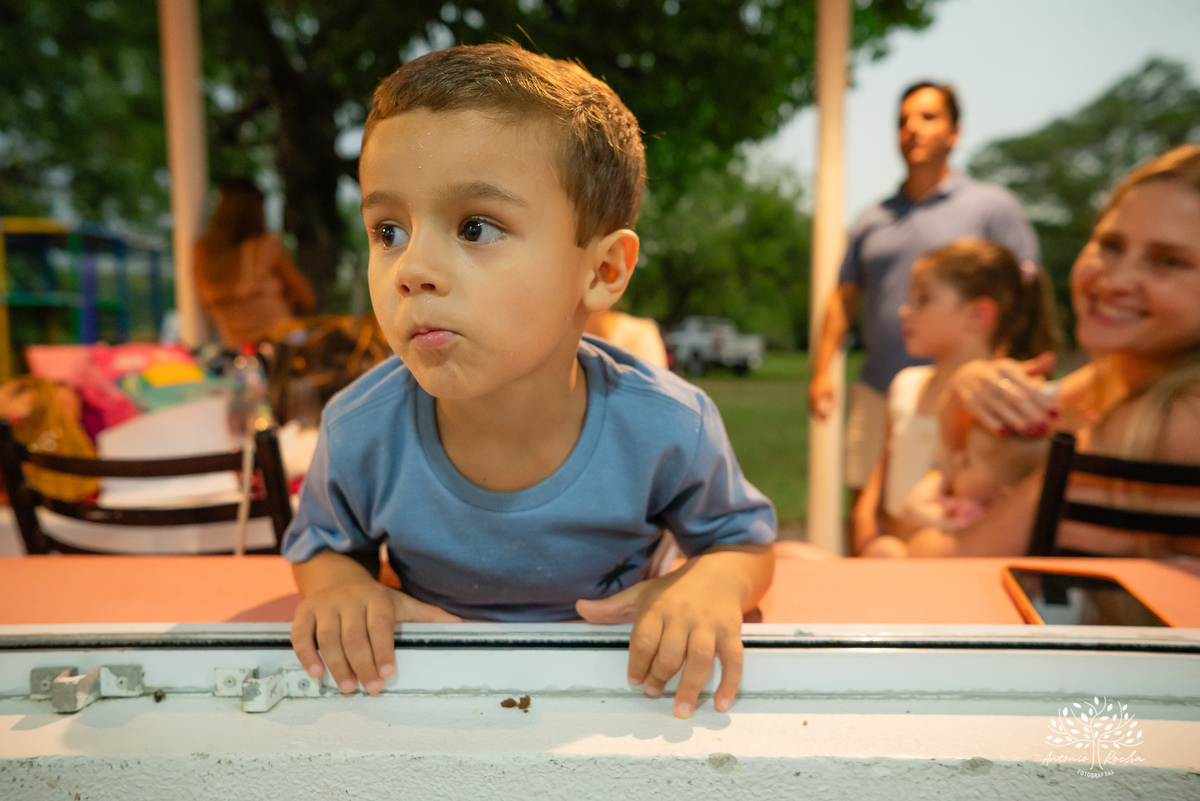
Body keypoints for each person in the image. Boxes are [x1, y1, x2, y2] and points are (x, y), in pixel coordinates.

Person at [282, 44, 776, 720]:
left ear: (602, 270)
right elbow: (321, 547)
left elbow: (742, 542)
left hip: (623, 703)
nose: (412, 268)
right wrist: (339, 587)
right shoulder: (359, 427)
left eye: (475, 227)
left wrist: (712, 582)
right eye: (387, 230)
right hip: (426, 706)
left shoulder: (666, 424)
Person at [932, 143, 1200, 557]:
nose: (1116, 280)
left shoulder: (1169, 417)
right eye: (1110, 245)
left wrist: (913, 539)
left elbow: (965, 564)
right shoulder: (1115, 377)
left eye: (1168, 261)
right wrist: (964, 390)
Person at [807, 82, 1040, 537]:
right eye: (903, 120)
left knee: (953, 519)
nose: (912, 128)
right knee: (871, 513)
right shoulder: (872, 217)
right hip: (883, 388)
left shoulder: (993, 207)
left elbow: (1023, 291)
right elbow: (843, 295)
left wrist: (1003, 370)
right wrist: (821, 369)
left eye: (928, 117)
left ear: (955, 132)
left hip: (970, 397)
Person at [853, 238, 1059, 555]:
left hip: (954, 557)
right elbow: (882, 475)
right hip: (889, 555)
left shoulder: (1006, 399)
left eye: (923, 299)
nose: (904, 311)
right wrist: (867, 537)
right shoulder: (905, 384)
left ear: (978, 314)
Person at [194, 178, 317, 348]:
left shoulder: (203, 253)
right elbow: (306, 298)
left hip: (246, 351)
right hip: (278, 346)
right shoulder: (266, 246)